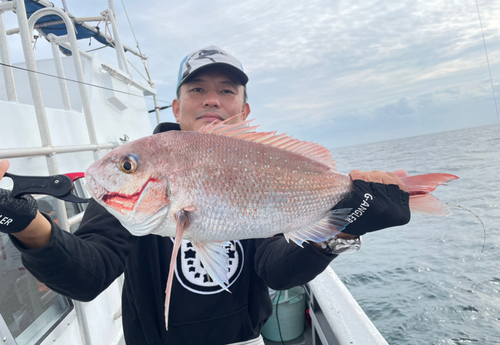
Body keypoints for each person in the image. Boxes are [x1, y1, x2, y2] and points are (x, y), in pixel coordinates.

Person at [0, 46, 410, 345]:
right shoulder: (135, 185)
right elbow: (87, 275)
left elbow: (278, 271)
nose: (212, 98)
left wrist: (347, 226)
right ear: (176, 107)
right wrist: (25, 222)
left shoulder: (259, 166)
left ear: (244, 112)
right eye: (197, 89)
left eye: (227, 91)